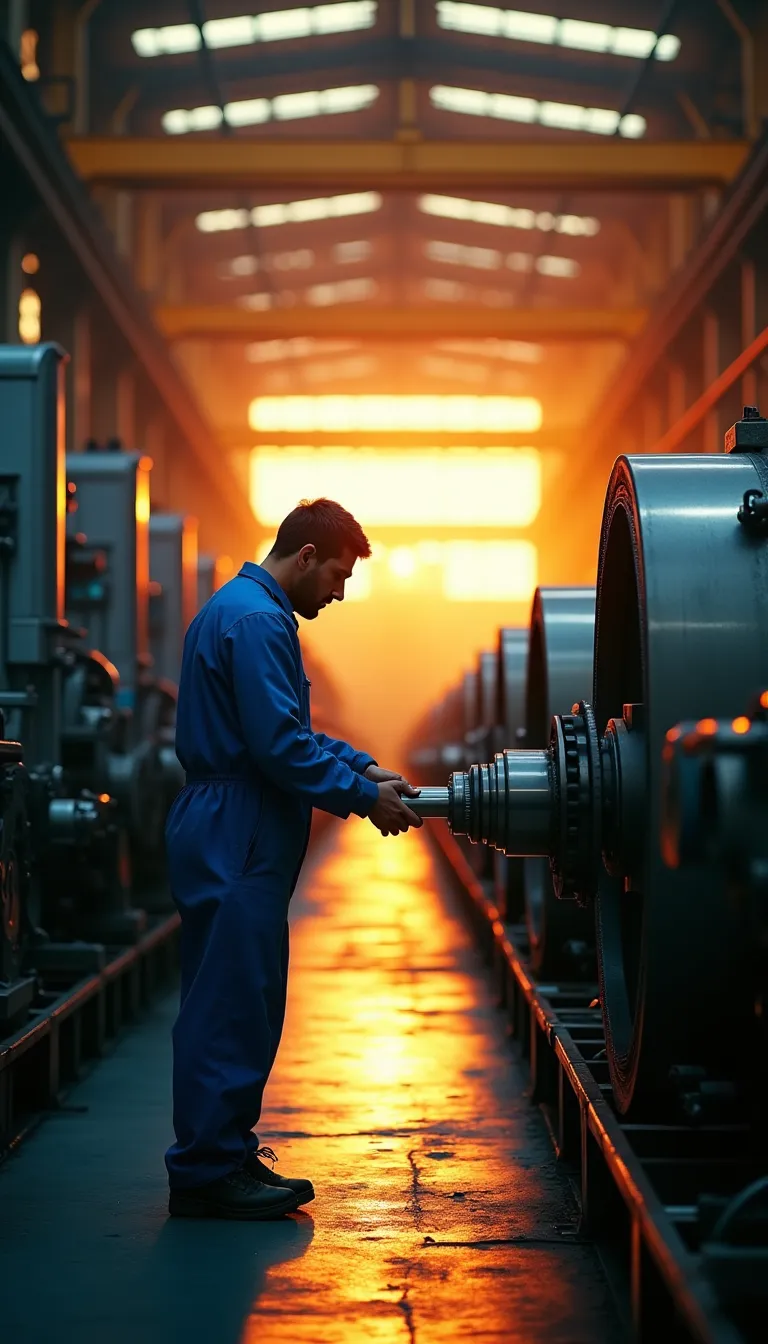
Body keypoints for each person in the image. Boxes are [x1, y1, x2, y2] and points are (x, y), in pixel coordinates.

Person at [165, 498, 422, 1220]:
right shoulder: (258, 620)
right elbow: (279, 747)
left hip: (233, 819)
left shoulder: (248, 611)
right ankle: (208, 1169)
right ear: (305, 557)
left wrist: (365, 769)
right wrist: (361, 799)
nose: (338, 593)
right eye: (337, 576)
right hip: (236, 824)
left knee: (235, 994)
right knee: (230, 1002)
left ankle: (222, 1150)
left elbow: (290, 733)